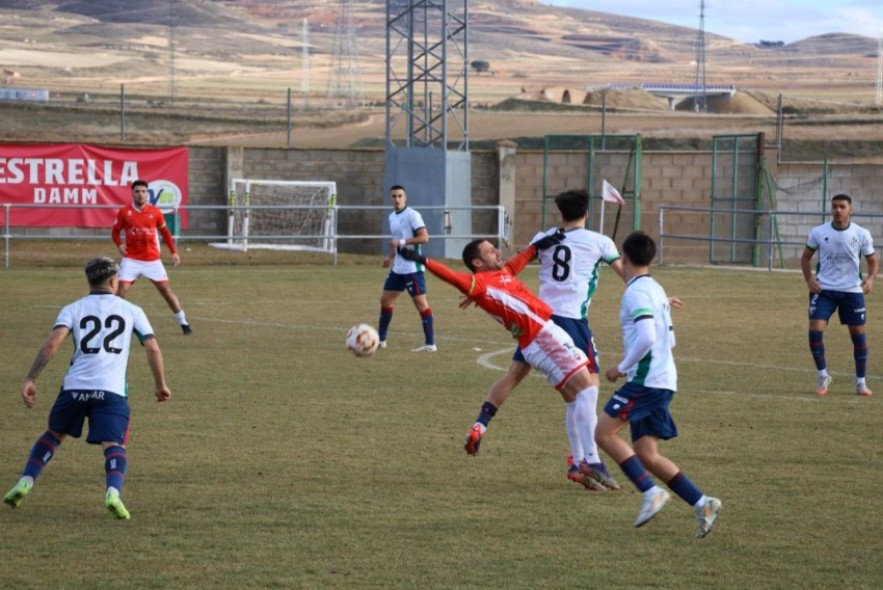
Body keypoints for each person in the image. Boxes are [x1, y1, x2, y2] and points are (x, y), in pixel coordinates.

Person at [398, 234, 604, 482]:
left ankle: (576, 460)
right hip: (541, 337)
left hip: (538, 338)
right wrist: (422, 259)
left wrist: (538, 245)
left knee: (572, 396)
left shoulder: (503, 273)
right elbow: (451, 277)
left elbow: (519, 261)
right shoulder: (480, 283)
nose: (496, 251)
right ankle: (590, 461)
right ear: (477, 263)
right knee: (588, 392)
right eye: (489, 251)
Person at [461, 189, 627, 492]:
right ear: (586, 213)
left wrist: (481, 287)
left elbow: (509, 268)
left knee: (517, 376)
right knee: (588, 391)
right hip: (572, 322)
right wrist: (652, 293)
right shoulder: (600, 241)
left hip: (537, 320)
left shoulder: (545, 237)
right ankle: (583, 460)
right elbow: (624, 272)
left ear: (560, 214)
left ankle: (481, 423)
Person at [3, 256, 172, 520]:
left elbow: (52, 344)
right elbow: (151, 346)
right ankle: (113, 493)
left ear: (89, 281)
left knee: (53, 435)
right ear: (114, 281)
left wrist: (31, 378)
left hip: (74, 389)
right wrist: (160, 384)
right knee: (113, 443)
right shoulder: (132, 311)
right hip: (111, 391)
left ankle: (26, 480)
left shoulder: (73, 308)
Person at [595, 231, 721, 538]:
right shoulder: (655, 288)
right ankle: (703, 502)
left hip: (647, 381)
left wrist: (622, 367)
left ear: (623, 259)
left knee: (602, 432)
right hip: (664, 378)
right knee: (645, 452)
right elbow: (670, 338)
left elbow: (649, 335)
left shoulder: (636, 294)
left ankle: (650, 493)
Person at [800, 193, 877, 397]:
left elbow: (872, 261)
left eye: (842, 206)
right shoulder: (818, 232)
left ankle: (861, 382)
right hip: (824, 290)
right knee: (815, 330)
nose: (838, 210)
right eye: (834, 206)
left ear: (850, 209)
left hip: (852, 291)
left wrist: (870, 279)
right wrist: (809, 279)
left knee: (858, 337)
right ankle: (823, 376)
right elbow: (806, 258)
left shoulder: (861, 233)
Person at [112, 179, 192, 335]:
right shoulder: (124, 212)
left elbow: (165, 233)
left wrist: (173, 252)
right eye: (137, 191)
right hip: (131, 259)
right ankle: (112, 323)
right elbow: (115, 231)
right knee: (121, 290)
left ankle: (183, 323)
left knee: (165, 290)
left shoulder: (155, 212)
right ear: (132, 194)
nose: (140, 194)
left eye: (143, 191)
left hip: (152, 260)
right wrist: (119, 244)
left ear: (147, 194)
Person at [377, 184, 436, 352]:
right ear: (391, 198)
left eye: (400, 196)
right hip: (398, 268)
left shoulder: (413, 215)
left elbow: (424, 238)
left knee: (420, 303)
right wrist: (389, 257)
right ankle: (381, 340)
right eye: (394, 196)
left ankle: (430, 344)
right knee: (385, 300)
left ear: (405, 197)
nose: (397, 199)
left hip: (413, 268)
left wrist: (402, 242)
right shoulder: (392, 217)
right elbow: (397, 241)